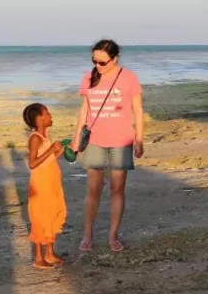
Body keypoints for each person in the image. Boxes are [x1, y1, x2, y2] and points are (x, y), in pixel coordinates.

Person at [71, 39, 144, 253]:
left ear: (115, 59)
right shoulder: (88, 77)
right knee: (93, 190)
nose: (98, 66)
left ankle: (113, 236)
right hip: (95, 140)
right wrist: (76, 137)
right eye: (95, 61)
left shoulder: (128, 77)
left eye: (103, 62)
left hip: (121, 140)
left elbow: (138, 110)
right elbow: (84, 109)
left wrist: (139, 139)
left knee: (117, 189)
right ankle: (87, 236)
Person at [22, 102, 67, 269]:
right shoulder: (35, 138)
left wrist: (62, 149)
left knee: (52, 213)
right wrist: (50, 150)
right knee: (41, 217)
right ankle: (39, 258)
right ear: (39, 119)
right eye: (47, 114)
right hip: (40, 184)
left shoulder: (45, 138)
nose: (50, 116)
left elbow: (50, 159)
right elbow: (32, 163)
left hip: (51, 181)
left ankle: (50, 252)